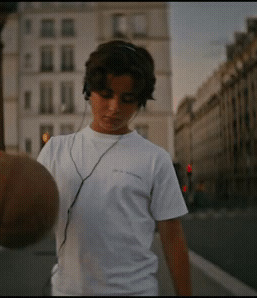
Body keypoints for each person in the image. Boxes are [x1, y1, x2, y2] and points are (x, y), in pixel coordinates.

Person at [37, 40, 191, 296]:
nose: (115, 107)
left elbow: (173, 238)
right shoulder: (55, 150)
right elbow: (32, 214)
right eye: (106, 94)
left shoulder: (155, 159)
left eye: (127, 99)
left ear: (140, 101)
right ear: (88, 90)